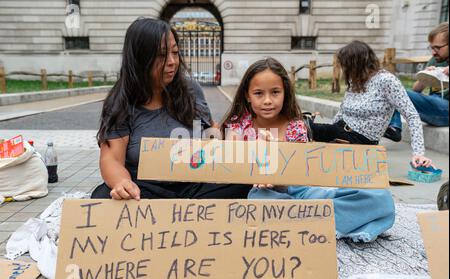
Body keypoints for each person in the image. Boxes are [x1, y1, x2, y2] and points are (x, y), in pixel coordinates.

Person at [220, 57, 395, 242]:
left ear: (285, 92)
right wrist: (259, 169)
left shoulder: (296, 126)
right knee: (258, 201)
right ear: (247, 95)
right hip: (262, 195)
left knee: (379, 197)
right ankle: (323, 222)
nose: (267, 101)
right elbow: (232, 171)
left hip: (300, 192)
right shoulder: (237, 128)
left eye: (275, 92)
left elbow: (301, 178)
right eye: (258, 93)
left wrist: (280, 175)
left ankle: (308, 222)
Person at [91, 18, 251, 200]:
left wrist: (233, 143)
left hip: (196, 185)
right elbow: (111, 159)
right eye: (161, 55)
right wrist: (122, 183)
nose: (172, 61)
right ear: (139, 58)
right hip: (145, 191)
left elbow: (211, 132)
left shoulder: (191, 90)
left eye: (175, 52)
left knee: (246, 183)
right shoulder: (120, 103)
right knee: (102, 196)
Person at [309, 40, 433, 168]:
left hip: (361, 139)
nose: (344, 69)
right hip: (341, 131)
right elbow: (342, 112)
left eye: (347, 65)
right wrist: (328, 131)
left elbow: (412, 115)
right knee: (302, 127)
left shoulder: (386, 81)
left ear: (357, 64)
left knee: (306, 128)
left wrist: (418, 153)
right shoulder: (355, 79)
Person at [385, 22, 449, 141]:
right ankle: (394, 128)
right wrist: (425, 77)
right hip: (434, 108)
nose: (433, 52)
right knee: (393, 90)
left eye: (437, 48)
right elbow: (416, 90)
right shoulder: (435, 60)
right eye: (432, 47)